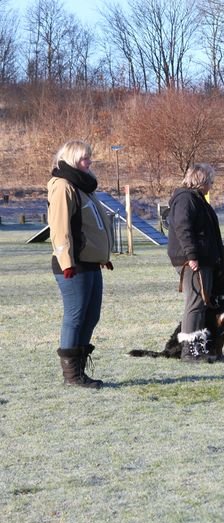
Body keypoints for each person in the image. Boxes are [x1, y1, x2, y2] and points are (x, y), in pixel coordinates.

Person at [48, 140, 114, 388]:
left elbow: (93, 225)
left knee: (91, 316)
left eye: (89, 157)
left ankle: (80, 370)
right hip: (73, 265)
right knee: (75, 317)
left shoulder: (84, 186)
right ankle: (72, 376)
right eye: (85, 158)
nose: (90, 162)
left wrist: (102, 256)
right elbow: (60, 228)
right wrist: (67, 262)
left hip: (90, 262)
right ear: (73, 159)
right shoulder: (63, 186)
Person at [167, 163, 224, 362]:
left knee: (201, 304)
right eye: (210, 182)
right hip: (192, 261)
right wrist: (191, 256)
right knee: (195, 304)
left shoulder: (197, 199)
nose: (211, 186)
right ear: (201, 181)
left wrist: (223, 253)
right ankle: (190, 351)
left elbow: (208, 233)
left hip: (202, 259)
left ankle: (198, 347)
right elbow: (183, 228)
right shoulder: (185, 199)